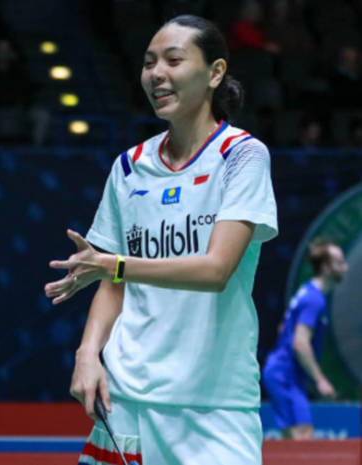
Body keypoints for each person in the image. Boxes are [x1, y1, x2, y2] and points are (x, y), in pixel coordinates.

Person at [44, 15, 278, 464]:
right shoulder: (130, 167)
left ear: (215, 73)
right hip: (127, 400)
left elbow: (215, 271)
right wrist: (88, 352)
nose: (157, 74)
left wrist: (114, 265)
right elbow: (113, 284)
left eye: (174, 60)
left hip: (215, 403)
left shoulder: (242, 156)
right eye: (149, 63)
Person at [262, 239, 347, 440]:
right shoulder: (314, 299)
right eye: (340, 263)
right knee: (303, 438)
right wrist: (321, 381)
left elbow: (283, 327)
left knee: (293, 441)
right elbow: (300, 343)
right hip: (285, 375)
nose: (346, 267)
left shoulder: (306, 290)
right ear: (326, 267)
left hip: (285, 373)